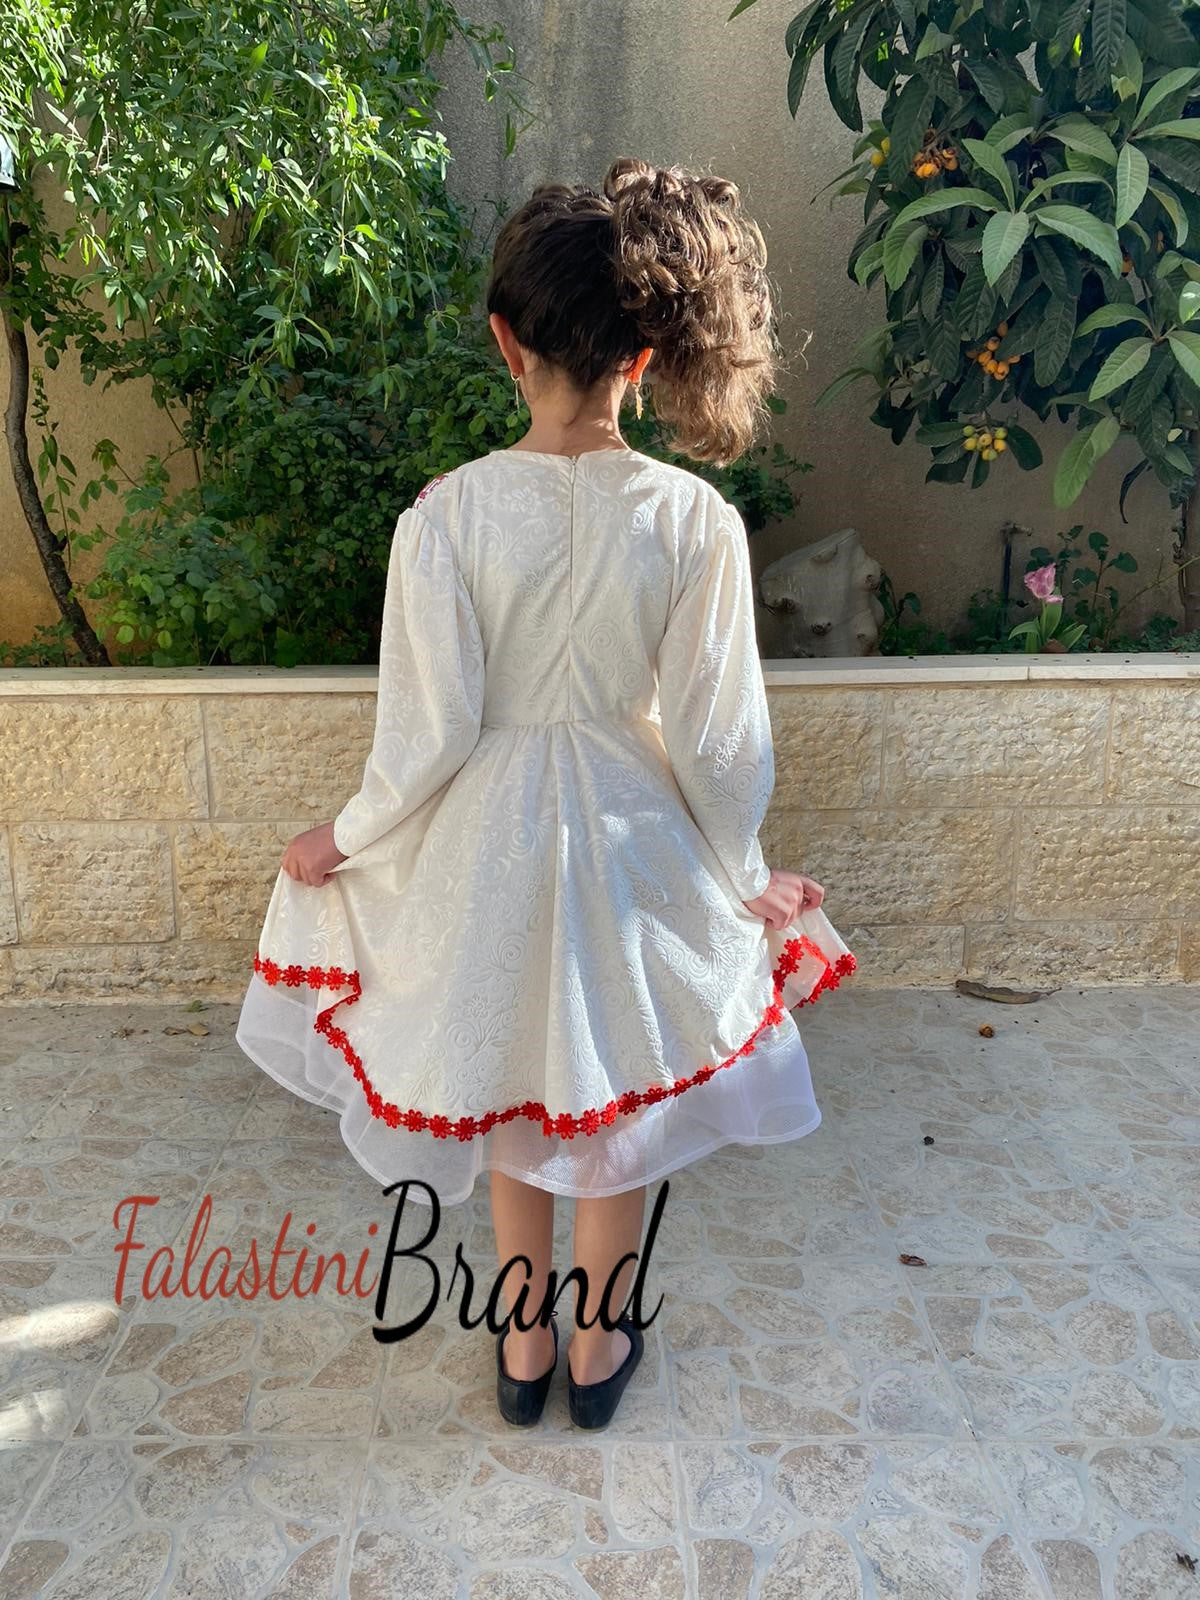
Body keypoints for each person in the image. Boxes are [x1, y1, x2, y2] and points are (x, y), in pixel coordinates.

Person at [235, 156, 856, 1431]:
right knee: (613, 1087)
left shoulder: (446, 518)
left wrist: (343, 837)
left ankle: (522, 1344)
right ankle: (597, 1336)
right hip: (635, 844)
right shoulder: (694, 519)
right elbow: (720, 741)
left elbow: (429, 735)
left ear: (505, 342)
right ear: (646, 352)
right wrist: (741, 873)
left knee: (514, 1076)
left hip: (490, 841)